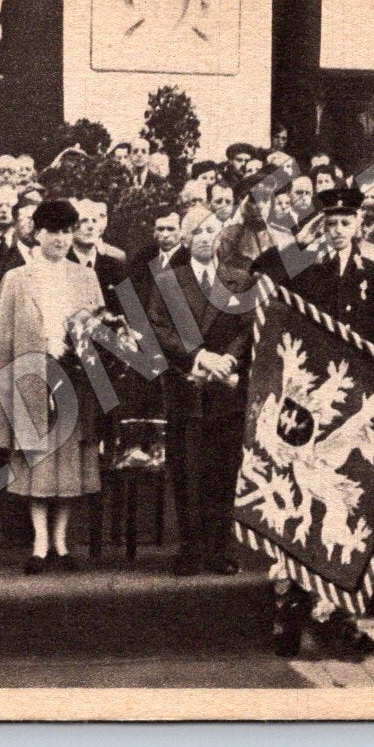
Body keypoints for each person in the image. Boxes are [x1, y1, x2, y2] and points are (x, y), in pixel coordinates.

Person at [0, 200, 106, 574]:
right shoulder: (17, 278)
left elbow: (101, 333)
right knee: (35, 460)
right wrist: (5, 394)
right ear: (37, 234)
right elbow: (3, 339)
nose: (61, 239)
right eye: (53, 231)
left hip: (75, 380)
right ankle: (39, 544)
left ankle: (61, 542)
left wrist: (82, 349)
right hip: (31, 379)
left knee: (68, 462)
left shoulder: (86, 277)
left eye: (67, 231)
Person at [147, 206, 254, 576]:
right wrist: (199, 357)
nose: (205, 238)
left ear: (220, 235)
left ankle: (218, 549)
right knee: (187, 472)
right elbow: (159, 329)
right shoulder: (168, 281)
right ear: (185, 239)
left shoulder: (239, 279)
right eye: (197, 232)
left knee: (223, 471)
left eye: (210, 230)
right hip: (187, 386)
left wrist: (228, 361)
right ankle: (190, 549)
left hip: (226, 387)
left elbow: (246, 328)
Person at [288, 187, 374, 347]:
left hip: (354, 352)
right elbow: (269, 278)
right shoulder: (306, 266)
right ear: (323, 226)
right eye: (332, 224)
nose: (338, 230)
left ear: (356, 224)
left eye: (345, 223)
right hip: (315, 349)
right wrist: (299, 244)